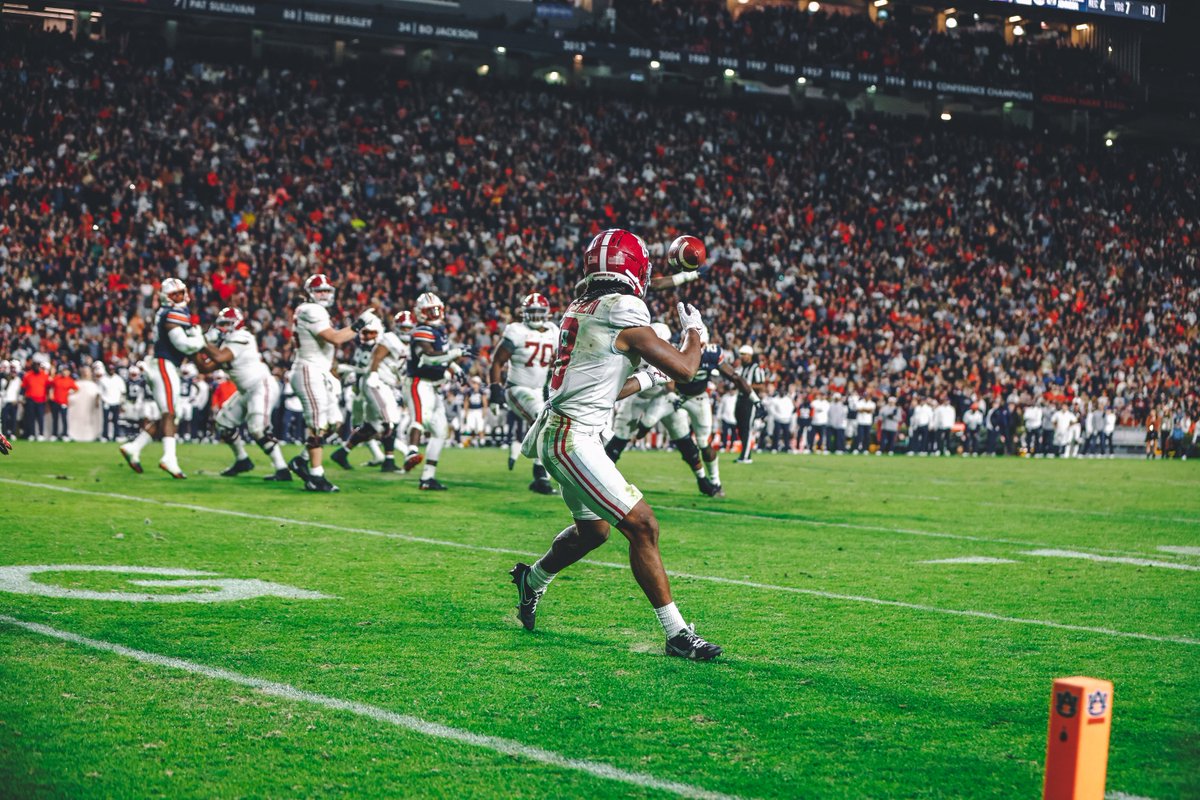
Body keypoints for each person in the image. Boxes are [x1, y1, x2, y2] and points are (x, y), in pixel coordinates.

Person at [509, 228, 722, 660]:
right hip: (573, 437)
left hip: (564, 429)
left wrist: (645, 377)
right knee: (642, 525)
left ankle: (531, 580)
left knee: (593, 533)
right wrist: (695, 333)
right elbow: (685, 369)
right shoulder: (622, 306)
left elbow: (600, 386)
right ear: (634, 268)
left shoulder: (582, 304)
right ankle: (678, 634)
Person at [119, 278, 206, 478]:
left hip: (163, 365)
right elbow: (184, 345)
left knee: (166, 415)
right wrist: (199, 338)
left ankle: (134, 447)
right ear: (168, 298)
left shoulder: (169, 312)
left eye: (181, 292)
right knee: (170, 413)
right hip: (164, 365)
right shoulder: (173, 313)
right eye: (176, 294)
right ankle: (169, 458)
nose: (181, 296)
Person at [285, 273, 361, 492]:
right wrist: (360, 324)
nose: (324, 295)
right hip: (309, 370)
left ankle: (301, 460)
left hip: (319, 371)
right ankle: (316, 476)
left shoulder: (313, 311)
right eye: (320, 291)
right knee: (318, 425)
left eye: (327, 291)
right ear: (310, 293)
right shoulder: (312, 309)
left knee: (334, 424)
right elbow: (335, 338)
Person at [199, 307, 291, 481]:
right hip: (245, 391)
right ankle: (242, 460)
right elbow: (204, 368)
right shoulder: (226, 344)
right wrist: (195, 348)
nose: (223, 329)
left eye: (227, 324)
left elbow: (218, 358)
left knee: (258, 429)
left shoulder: (242, 336)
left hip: (260, 386)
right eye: (221, 325)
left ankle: (282, 469)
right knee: (223, 424)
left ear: (237, 324)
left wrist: (201, 342)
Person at [490, 293, 560, 493]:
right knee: (542, 419)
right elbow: (497, 361)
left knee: (545, 425)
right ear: (524, 313)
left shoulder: (553, 331)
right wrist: (495, 392)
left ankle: (540, 476)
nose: (536, 315)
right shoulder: (516, 330)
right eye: (532, 311)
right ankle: (540, 475)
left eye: (539, 311)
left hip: (539, 390)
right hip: (517, 388)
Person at [403, 292, 470, 490]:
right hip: (418, 381)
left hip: (434, 385)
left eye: (436, 310)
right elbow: (429, 357)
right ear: (420, 313)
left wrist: (455, 368)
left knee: (440, 431)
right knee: (420, 418)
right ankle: (411, 451)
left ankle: (427, 478)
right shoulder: (420, 331)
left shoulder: (440, 332)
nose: (434, 314)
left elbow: (442, 359)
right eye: (429, 311)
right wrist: (455, 354)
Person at [672, 343, 753, 495]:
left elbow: (734, 376)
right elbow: (665, 374)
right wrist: (670, 394)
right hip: (675, 397)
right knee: (680, 438)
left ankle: (715, 481)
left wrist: (754, 398)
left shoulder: (711, 354)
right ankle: (703, 480)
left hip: (698, 398)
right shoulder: (676, 349)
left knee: (703, 442)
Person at [330, 310, 404, 473]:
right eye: (366, 333)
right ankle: (389, 461)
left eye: (372, 333)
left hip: (372, 384)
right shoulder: (383, 343)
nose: (369, 336)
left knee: (371, 426)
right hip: (375, 384)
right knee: (390, 420)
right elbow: (372, 364)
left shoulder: (379, 342)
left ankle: (342, 452)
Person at [733, 345, 766, 463]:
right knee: (741, 427)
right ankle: (745, 453)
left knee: (746, 427)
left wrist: (747, 386)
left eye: (744, 354)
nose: (742, 357)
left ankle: (746, 456)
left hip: (750, 400)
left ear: (750, 355)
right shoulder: (741, 368)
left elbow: (761, 385)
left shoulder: (756, 368)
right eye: (741, 354)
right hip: (740, 399)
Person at [95, 362, 126, 442]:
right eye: (110, 369)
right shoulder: (103, 379)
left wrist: (122, 403)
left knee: (116, 420)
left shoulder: (119, 379)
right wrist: (97, 401)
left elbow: (123, 392)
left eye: (112, 369)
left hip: (116, 402)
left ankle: (116, 436)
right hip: (106, 402)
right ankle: (105, 436)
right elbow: (99, 392)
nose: (111, 371)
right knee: (105, 420)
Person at [21, 358, 49, 441]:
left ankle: (41, 434)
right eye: (35, 366)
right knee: (31, 418)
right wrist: (21, 397)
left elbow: (49, 387)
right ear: (32, 367)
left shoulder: (44, 375)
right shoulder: (28, 375)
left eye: (38, 366)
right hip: (30, 400)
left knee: (40, 418)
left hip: (41, 400)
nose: (36, 367)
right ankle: (32, 434)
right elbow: (23, 387)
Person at [49, 363, 78, 440]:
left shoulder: (70, 380)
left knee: (64, 419)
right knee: (55, 419)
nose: (65, 372)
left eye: (66, 371)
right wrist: (51, 394)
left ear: (69, 372)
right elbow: (51, 386)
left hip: (64, 402)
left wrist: (70, 392)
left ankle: (65, 434)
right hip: (55, 401)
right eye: (64, 370)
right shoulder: (57, 378)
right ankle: (54, 434)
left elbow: (76, 389)